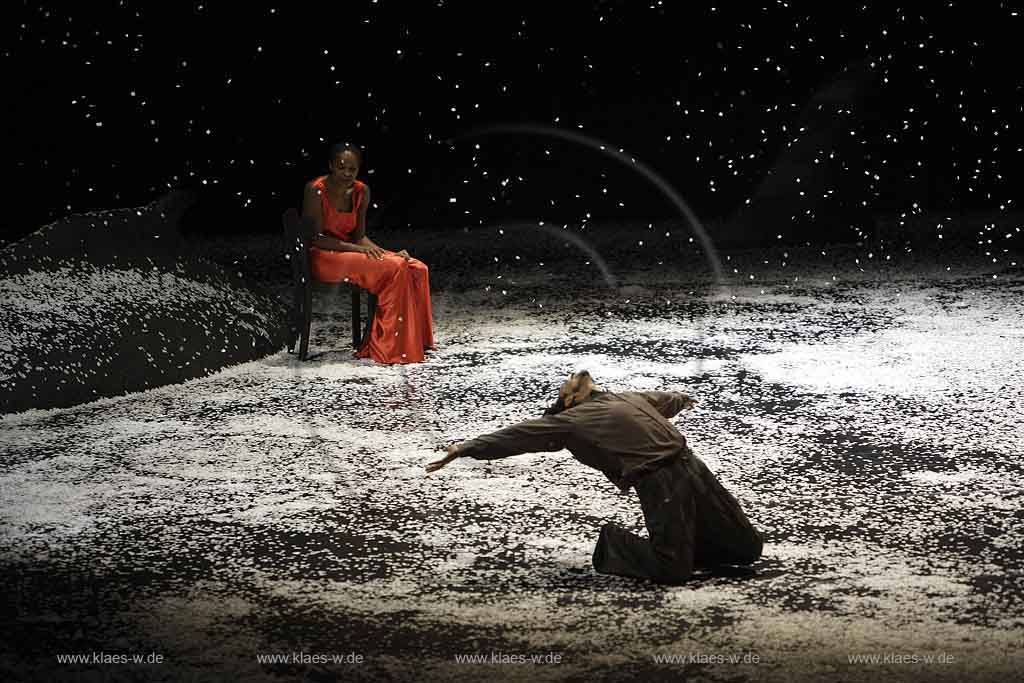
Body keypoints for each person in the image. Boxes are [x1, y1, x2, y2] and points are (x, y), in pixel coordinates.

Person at [426, 371, 764, 584]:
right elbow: (519, 435)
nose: (580, 376)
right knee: (672, 571)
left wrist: (681, 399)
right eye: (571, 384)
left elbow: (661, 400)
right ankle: (612, 544)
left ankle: (688, 544)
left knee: (746, 548)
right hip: (659, 482)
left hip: (692, 466)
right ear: (571, 400)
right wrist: (467, 448)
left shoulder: (623, 398)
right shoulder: (574, 419)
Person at [303, 142, 434, 364]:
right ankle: (389, 345)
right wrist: (361, 250)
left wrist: (385, 252)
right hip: (323, 255)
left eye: (352, 169)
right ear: (330, 166)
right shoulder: (315, 189)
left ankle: (412, 341)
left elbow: (359, 235)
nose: (346, 173)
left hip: (349, 252)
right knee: (393, 268)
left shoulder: (361, 191)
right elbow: (317, 238)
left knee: (415, 266)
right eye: (341, 167)